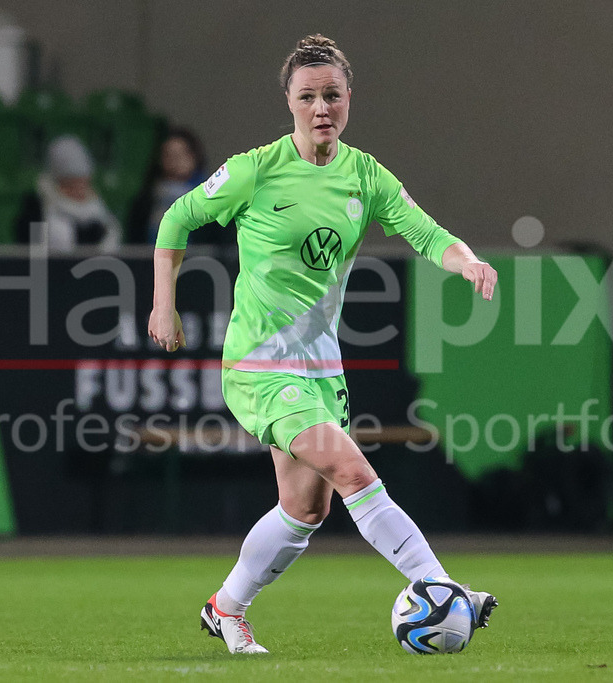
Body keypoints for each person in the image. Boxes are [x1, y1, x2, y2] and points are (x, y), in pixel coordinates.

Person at [148, 34, 499, 655]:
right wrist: (163, 303)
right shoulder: (256, 169)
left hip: (319, 370)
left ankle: (225, 607)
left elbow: (425, 232)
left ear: (348, 99)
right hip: (259, 366)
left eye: (331, 95)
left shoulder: (366, 176)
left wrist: (465, 260)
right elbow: (176, 219)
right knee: (352, 470)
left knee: (304, 510)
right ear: (289, 100)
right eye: (308, 96)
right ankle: (441, 586)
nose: (321, 108)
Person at [16, 135, 122, 251]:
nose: (79, 191)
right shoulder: (35, 212)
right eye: (71, 185)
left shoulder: (99, 213)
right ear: (56, 183)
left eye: (83, 184)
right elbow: (36, 264)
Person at [128, 128, 219, 245]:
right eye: (168, 154)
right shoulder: (145, 201)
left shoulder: (213, 198)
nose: (174, 161)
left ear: (194, 157)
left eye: (181, 154)